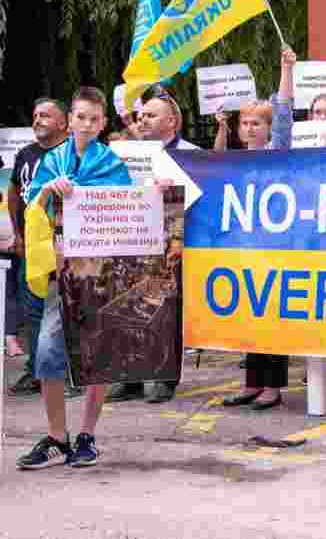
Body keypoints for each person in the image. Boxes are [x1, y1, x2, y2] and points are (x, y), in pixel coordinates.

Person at [16, 86, 133, 470]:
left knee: (96, 354)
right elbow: (33, 203)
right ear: (71, 120)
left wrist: (82, 191)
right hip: (58, 268)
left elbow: (124, 206)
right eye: (80, 117)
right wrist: (50, 190)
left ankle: (87, 435)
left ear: (102, 124)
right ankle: (56, 436)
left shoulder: (114, 164)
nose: (86, 124)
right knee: (48, 354)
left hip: (97, 271)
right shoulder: (51, 161)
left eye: (93, 119)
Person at [106, 88, 200, 404]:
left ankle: (163, 378)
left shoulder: (191, 153)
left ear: (171, 121)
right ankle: (130, 377)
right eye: (142, 114)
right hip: (133, 240)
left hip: (171, 243)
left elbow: (200, 201)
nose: (143, 119)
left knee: (165, 312)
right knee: (130, 309)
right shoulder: (130, 153)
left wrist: (172, 193)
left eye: (151, 114)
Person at [219, 47, 297, 411]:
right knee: (247, 314)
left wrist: (285, 68)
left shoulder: (276, 154)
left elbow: (283, 112)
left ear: (267, 130)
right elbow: (212, 166)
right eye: (245, 123)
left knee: (272, 316)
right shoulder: (236, 161)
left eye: (257, 124)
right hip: (242, 246)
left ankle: (272, 386)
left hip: (273, 245)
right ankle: (252, 381)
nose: (250, 128)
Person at [7, 98, 69, 397]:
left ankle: (69, 372)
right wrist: (18, 234)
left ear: (62, 122)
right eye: (35, 115)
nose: (37, 120)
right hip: (33, 247)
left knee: (65, 311)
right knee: (33, 311)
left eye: (45, 115)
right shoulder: (25, 155)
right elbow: (15, 192)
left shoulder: (73, 154)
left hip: (65, 247)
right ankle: (36, 371)